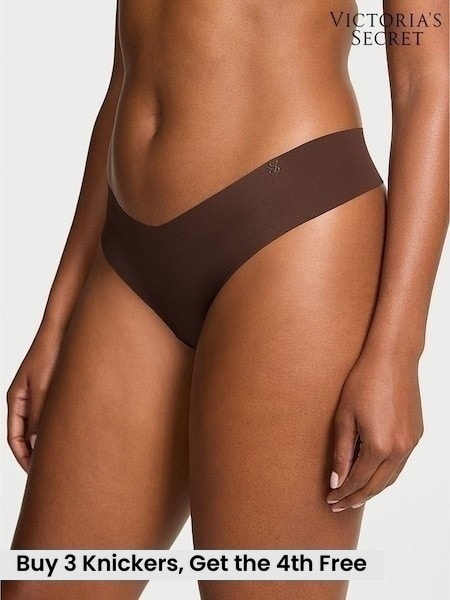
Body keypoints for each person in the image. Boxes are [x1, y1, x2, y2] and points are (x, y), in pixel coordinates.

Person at [3, 1, 448, 599]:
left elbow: (427, 78)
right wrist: (58, 317)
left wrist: (398, 350)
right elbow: (132, 67)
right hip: (126, 255)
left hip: (292, 234)